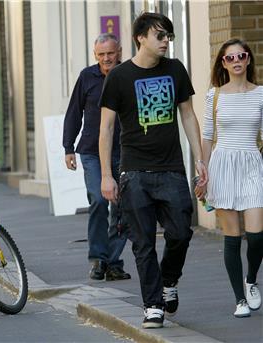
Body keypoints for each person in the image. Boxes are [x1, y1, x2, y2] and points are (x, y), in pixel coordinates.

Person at [98, 12, 207, 329]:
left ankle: (168, 280)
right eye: (160, 36)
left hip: (171, 169)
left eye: (168, 37)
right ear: (140, 37)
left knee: (180, 233)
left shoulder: (175, 69)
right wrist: (107, 174)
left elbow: (187, 115)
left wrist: (199, 158)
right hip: (134, 172)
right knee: (143, 243)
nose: (165, 42)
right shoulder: (118, 77)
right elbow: (106, 129)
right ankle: (153, 305)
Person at [195, 38, 262, 318]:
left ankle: (251, 280)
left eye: (241, 56)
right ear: (223, 63)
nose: (236, 61)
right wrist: (204, 171)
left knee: (257, 236)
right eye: (229, 58)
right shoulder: (215, 95)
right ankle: (240, 300)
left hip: (252, 163)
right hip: (222, 165)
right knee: (232, 237)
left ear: (248, 60)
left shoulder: (260, 94)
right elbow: (208, 137)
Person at [63, 33, 130, 282]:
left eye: (110, 53)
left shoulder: (128, 74)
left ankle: (113, 261)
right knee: (99, 202)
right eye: (101, 54)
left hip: (123, 152)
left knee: (122, 207)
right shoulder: (86, 77)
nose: (106, 58)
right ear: (95, 56)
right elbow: (74, 112)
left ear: (119, 52)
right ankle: (98, 259)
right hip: (91, 151)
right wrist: (68, 147)